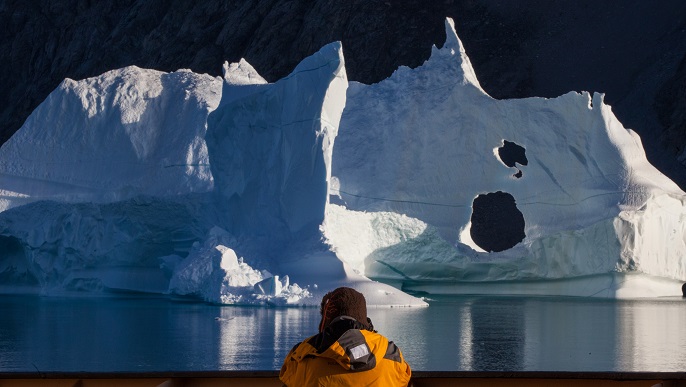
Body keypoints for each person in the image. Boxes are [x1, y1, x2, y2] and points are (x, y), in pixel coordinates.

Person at [279, 287, 412, 386]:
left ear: (326, 319)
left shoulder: (302, 353)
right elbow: (404, 381)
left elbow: (287, 379)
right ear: (363, 316)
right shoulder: (390, 353)